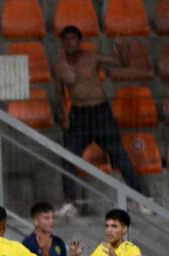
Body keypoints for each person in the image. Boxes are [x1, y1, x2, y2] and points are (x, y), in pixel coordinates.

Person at [55, 25, 144, 215]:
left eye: (73, 38)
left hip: (100, 112)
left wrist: (120, 47)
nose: (70, 42)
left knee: (119, 154)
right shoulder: (60, 66)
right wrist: (64, 116)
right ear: (62, 42)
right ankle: (69, 202)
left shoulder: (92, 57)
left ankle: (140, 198)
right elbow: (60, 93)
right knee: (67, 157)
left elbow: (124, 63)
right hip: (78, 115)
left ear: (79, 41)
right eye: (66, 39)